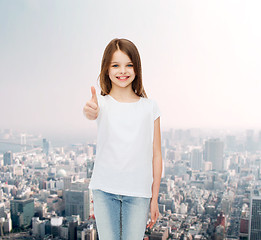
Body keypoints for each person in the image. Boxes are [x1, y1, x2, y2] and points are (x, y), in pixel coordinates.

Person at [83, 38, 162, 240]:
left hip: (138, 194)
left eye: (129, 65)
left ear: (137, 69)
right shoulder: (100, 103)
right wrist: (89, 111)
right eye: (115, 65)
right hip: (104, 190)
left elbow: (156, 155)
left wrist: (155, 198)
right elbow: (90, 112)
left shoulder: (149, 107)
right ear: (106, 69)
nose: (122, 71)